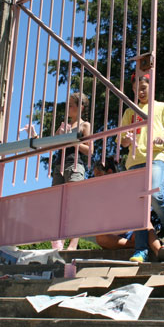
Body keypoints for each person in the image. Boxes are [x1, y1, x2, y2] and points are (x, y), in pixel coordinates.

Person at [120, 73, 164, 263]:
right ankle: (141, 251)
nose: (139, 92)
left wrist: (163, 139)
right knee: (138, 208)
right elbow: (122, 142)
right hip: (133, 161)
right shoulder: (130, 111)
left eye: (143, 88)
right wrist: (127, 139)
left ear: (151, 87)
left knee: (155, 195)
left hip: (155, 157)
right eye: (136, 89)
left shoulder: (163, 107)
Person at [92, 156, 164, 260]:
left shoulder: (125, 185)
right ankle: (135, 245)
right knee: (100, 238)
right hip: (113, 237)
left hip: (132, 232)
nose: (95, 179)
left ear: (109, 172)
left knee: (147, 223)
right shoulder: (98, 194)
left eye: (98, 175)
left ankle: (158, 250)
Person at [50, 92, 92, 251]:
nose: (68, 108)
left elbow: (90, 150)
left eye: (71, 105)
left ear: (80, 107)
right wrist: (60, 136)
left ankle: (73, 244)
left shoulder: (84, 125)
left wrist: (72, 141)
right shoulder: (64, 125)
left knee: (75, 204)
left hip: (74, 165)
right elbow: (52, 146)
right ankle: (57, 242)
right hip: (59, 166)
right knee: (56, 205)